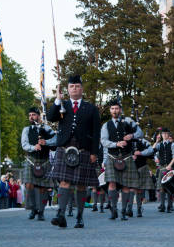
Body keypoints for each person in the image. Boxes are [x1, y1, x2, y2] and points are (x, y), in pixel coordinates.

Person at [47, 75, 101, 229]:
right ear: (68, 89)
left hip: (83, 149)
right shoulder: (62, 105)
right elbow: (51, 117)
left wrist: (94, 153)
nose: (75, 88)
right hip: (64, 148)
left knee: (81, 185)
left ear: (82, 89)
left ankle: (79, 217)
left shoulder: (91, 108)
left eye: (77, 86)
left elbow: (96, 133)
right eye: (72, 86)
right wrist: (57, 100)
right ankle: (61, 214)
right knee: (64, 181)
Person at [101, 99, 143, 221]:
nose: (115, 111)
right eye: (112, 109)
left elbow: (140, 133)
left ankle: (123, 211)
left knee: (126, 185)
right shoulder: (106, 125)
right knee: (112, 184)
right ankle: (113, 209)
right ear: (110, 110)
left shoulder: (129, 121)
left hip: (127, 156)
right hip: (112, 156)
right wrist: (116, 144)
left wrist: (132, 135)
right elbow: (103, 141)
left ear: (120, 109)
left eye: (117, 108)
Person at [21, 108, 58, 219]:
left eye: (34, 115)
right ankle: (33, 209)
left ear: (39, 116)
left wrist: (46, 142)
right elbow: (24, 144)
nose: (31, 117)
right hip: (31, 160)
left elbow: (56, 140)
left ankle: (41, 211)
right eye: (30, 115)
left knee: (43, 187)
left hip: (45, 160)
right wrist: (34, 147)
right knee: (29, 184)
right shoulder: (26, 130)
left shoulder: (47, 128)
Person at [152, 128, 174, 213]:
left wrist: (170, 165)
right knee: (161, 187)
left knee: (169, 187)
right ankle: (162, 205)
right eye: (163, 134)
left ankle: (169, 206)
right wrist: (156, 141)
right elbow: (152, 150)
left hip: (170, 167)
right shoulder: (159, 144)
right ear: (161, 135)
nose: (165, 135)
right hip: (162, 167)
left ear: (168, 135)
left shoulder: (172, 144)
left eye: (166, 134)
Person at [131, 137, 156, 217]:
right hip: (130, 167)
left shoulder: (143, 142)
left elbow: (151, 151)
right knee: (130, 188)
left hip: (142, 166)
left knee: (139, 189)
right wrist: (130, 156)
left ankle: (139, 208)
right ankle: (129, 209)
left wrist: (141, 153)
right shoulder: (126, 141)